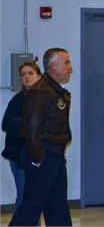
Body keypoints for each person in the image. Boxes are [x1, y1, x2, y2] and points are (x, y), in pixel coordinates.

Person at [9, 48, 73, 226]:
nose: (70, 67)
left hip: (55, 157)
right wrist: (38, 159)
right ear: (53, 65)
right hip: (43, 156)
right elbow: (32, 128)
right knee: (30, 209)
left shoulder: (54, 90)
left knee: (58, 208)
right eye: (66, 62)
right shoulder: (41, 91)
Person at [2, 62, 42, 216]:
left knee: (36, 198)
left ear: (39, 76)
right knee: (24, 197)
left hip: (39, 156)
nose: (27, 77)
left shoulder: (46, 99)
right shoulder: (17, 100)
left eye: (30, 73)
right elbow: (5, 124)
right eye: (23, 74)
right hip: (20, 156)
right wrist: (27, 123)